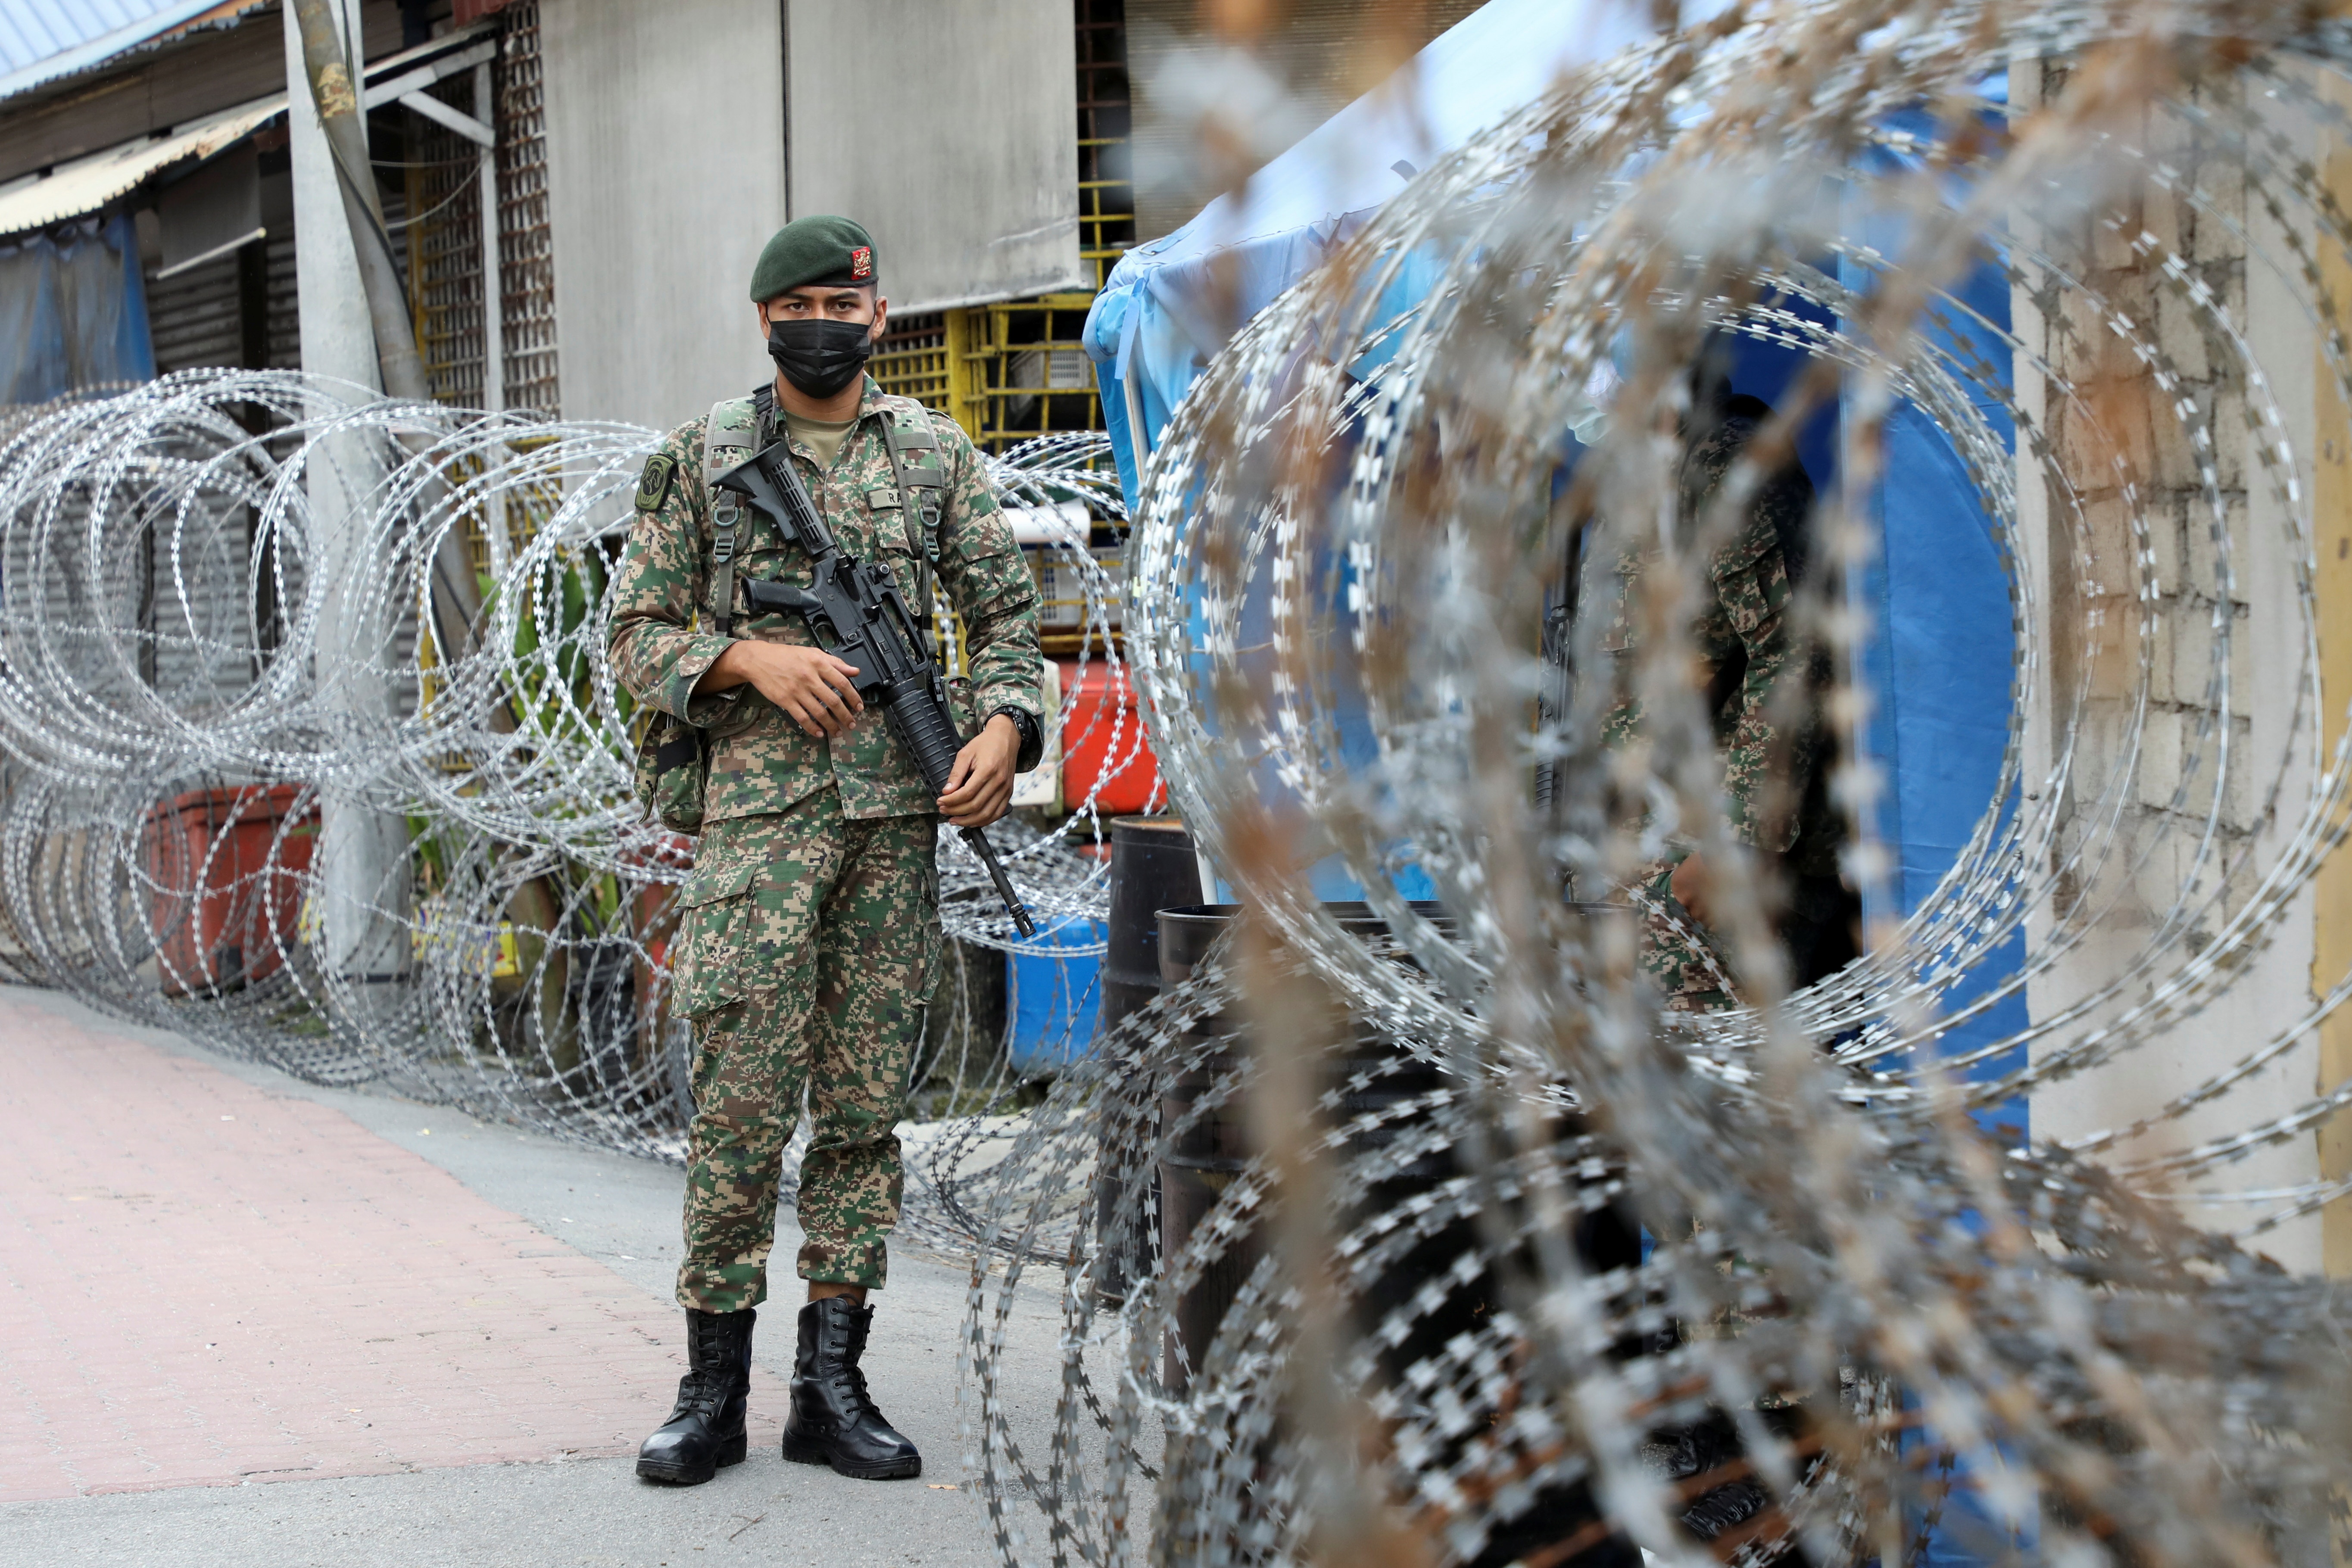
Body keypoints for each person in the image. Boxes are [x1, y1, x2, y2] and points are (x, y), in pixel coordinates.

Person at [608, 215, 1043, 1485]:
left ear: (876, 316)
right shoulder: (705, 458)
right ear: (763, 318)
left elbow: (1006, 618)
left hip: (892, 837)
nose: (820, 321)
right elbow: (633, 633)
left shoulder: (932, 459)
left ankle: (830, 1386)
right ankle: (709, 1392)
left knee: (863, 1114)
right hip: (760, 838)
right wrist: (749, 655)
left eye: (839, 303)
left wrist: (1005, 729)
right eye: (795, 301)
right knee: (741, 1109)